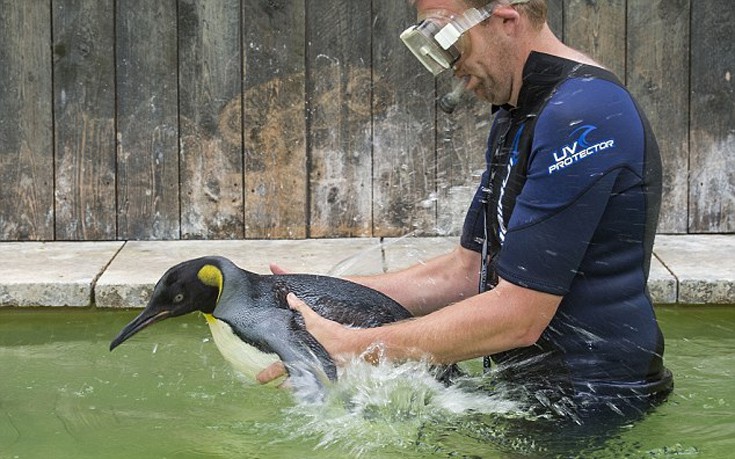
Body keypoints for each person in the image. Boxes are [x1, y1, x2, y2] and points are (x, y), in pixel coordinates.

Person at [259, 0, 673, 422]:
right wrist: (312, 295)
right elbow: (465, 272)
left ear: (506, 20)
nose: (449, 67)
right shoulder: (517, 111)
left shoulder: (583, 114)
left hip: (596, 402)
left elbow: (518, 315)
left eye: (449, 41)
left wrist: (351, 347)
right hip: (524, 395)